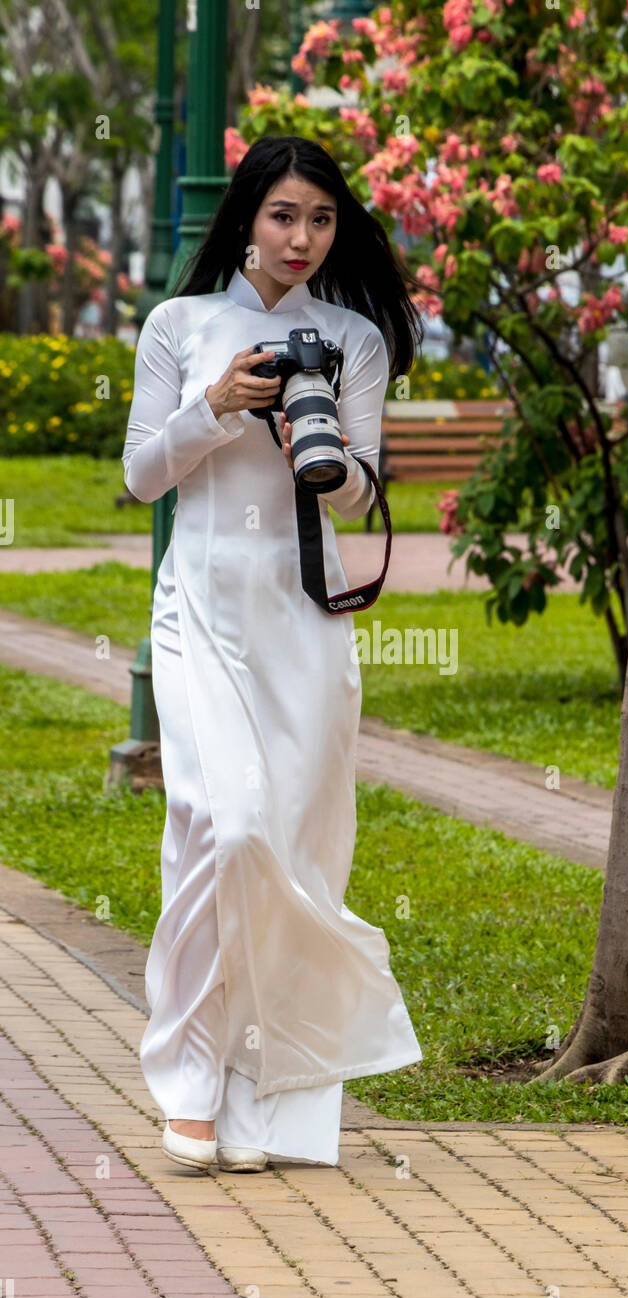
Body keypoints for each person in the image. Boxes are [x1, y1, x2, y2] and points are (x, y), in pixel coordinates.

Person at [122, 135, 425, 1174]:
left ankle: (268, 1097)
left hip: (306, 618)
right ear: (246, 216)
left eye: (322, 219)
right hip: (200, 608)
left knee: (294, 848)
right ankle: (189, 1081)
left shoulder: (351, 338)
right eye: (283, 215)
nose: (301, 238)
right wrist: (214, 408)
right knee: (226, 827)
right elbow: (141, 476)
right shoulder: (180, 324)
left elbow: (361, 490)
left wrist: (321, 450)